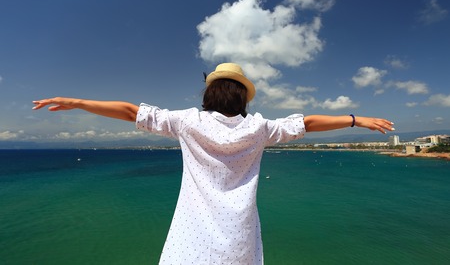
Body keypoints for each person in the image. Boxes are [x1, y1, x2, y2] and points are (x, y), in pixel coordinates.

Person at [33, 63, 394, 264]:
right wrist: (354, 118)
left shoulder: (188, 121)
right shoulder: (259, 127)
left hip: (190, 243)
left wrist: (78, 101)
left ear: (209, 93)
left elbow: (131, 111)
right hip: (238, 239)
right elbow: (307, 123)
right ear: (242, 96)